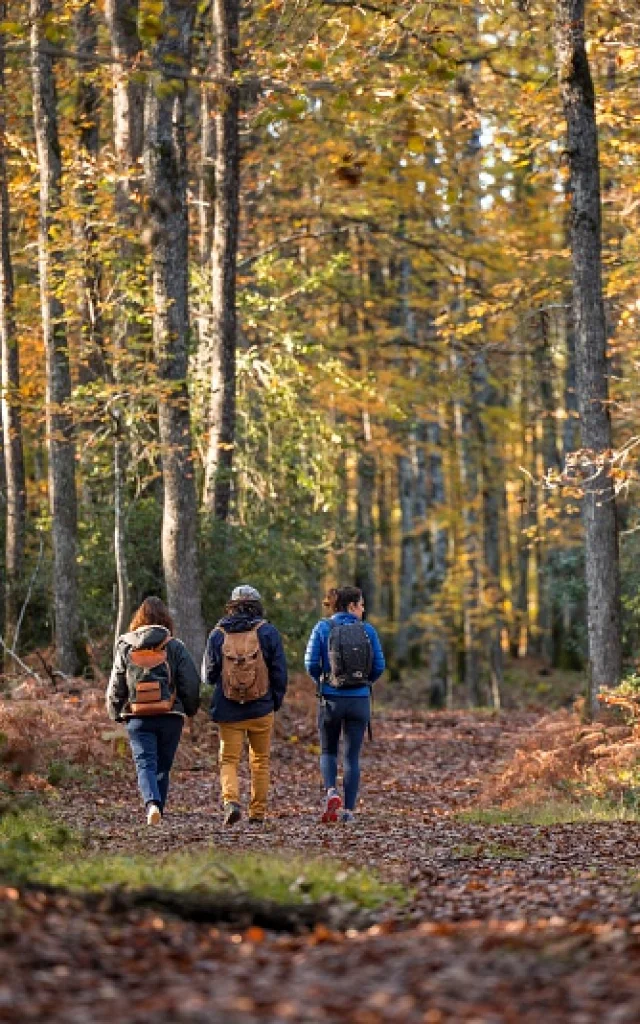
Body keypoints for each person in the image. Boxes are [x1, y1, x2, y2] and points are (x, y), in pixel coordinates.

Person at [106, 596, 201, 825]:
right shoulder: (175, 646)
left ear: (138, 619)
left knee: (145, 763)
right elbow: (190, 681)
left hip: (137, 716)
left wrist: (115, 710)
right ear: (165, 620)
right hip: (170, 716)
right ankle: (159, 809)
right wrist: (189, 708)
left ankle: (152, 805)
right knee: (163, 766)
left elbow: (117, 681)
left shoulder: (126, 645)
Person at [204, 585, 288, 826]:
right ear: (257, 605)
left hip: (228, 709)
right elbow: (280, 673)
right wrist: (275, 701)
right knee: (260, 760)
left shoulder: (218, 634)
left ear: (231, 605)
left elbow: (209, 675)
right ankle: (257, 814)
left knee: (229, 759)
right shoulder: (268, 632)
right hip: (261, 707)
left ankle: (231, 802)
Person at [305, 585, 385, 823]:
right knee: (352, 757)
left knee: (328, 750)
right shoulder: (368, 631)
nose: (363, 609)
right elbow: (379, 665)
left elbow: (310, 663)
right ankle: (348, 811)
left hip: (331, 699)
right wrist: (363, 682)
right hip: (359, 701)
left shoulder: (322, 627)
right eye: (361, 605)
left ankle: (331, 792)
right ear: (351, 606)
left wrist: (323, 681)